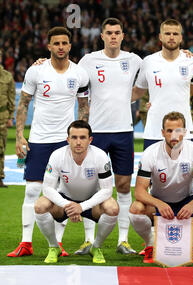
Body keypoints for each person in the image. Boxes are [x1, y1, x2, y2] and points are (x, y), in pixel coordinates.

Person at [8, 26, 89, 257]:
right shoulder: (36, 71)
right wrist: (21, 135)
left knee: (62, 193)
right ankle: (26, 243)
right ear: (49, 46)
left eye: (65, 43)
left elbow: (83, 107)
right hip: (39, 140)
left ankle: (58, 243)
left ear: (70, 46)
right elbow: (23, 103)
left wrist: (81, 137)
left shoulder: (79, 74)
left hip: (66, 142)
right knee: (32, 190)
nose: (61, 47)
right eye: (57, 43)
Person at [72, 17, 143, 255]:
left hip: (123, 130)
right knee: (93, 186)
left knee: (123, 186)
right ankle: (88, 240)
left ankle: (123, 240)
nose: (113, 36)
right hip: (97, 131)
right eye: (109, 33)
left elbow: (153, 71)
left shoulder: (133, 60)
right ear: (102, 36)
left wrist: (185, 54)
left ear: (123, 36)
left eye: (117, 32)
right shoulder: (89, 60)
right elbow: (80, 92)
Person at [129, 112, 193, 264]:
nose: (173, 135)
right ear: (163, 133)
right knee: (135, 209)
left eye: (178, 130)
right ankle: (150, 244)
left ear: (184, 132)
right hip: (159, 202)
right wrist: (159, 204)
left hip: (185, 200)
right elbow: (139, 191)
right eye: (169, 131)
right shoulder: (150, 154)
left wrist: (192, 205)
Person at [34, 120, 118, 263]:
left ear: (90, 140)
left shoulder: (100, 156)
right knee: (40, 205)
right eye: (74, 137)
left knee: (113, 207)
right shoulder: (57, 155)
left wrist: (81, 207)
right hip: (64, 201)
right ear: (68, 139)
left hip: (91, 203)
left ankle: (96, 247)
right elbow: (47, 188)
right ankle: (54, 247)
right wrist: (68, 205)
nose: (78, 142)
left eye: (82, 138)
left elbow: (107, 190)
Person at [132, 19, 193, 150]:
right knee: (150, 171)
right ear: (160, 36)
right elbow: (137, 92)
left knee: (186, 170)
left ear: (181, 38)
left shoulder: (191, 62)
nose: (171, 37)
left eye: (175, 34)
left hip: (183, 132)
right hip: (154, 131)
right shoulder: (148, 62)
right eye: (167, 33)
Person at [0, 48, 16, 188]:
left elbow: (11, 98)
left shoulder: (7, 77)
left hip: (2, 116)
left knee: (1, 147)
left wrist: (11, 116)